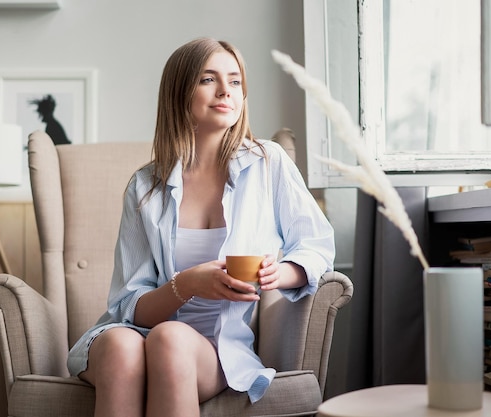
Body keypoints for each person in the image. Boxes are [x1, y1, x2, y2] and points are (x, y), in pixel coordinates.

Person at [67, 37, 335, 417]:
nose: (226, 91)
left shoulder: (268, 163)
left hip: (216, 349)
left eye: (235, 81)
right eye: (209, 79)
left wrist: (282, 272)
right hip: (136, 333)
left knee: (171, 339)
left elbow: (317, 246)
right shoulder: (146, 186)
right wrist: (188, 284)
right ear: (180, 93)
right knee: (120, 347)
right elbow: (130, 307)